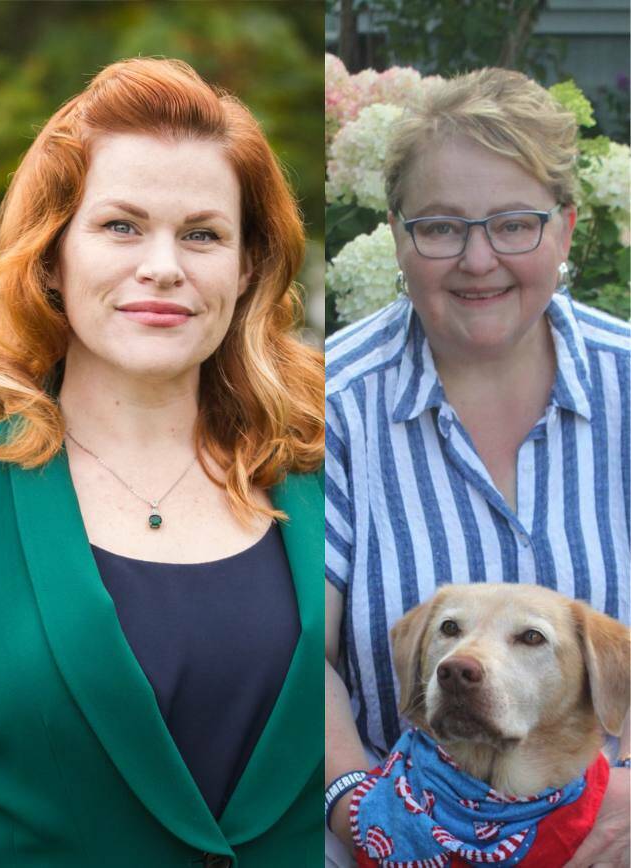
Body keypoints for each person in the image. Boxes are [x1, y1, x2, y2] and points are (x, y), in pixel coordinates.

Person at [0, 57, 325, 866]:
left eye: (202, 234)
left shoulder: (322, 475)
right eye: (121, 226)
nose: (164, 266)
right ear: (51, 258)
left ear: (245, 271)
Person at [323, 68, 630, 867]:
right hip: (396, 837)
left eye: (514, 224)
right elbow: (294, 652)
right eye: (441, 227)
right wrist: (358, 808)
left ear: (566, 231)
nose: (478, 258)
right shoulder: (331, 403)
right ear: (397, 235)